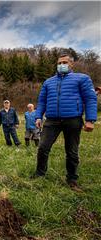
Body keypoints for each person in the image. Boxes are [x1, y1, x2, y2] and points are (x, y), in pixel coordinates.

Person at [31, 53, 97, 192]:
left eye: (65, 62)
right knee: (43, 147)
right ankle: (40, 174)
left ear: (71, 64)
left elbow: (90, 99)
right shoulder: (48, 82)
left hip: (73, 119)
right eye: (59, 63)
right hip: (51, 120)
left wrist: (90, 120)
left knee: (72, 151)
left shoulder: (82, 78)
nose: (61, 65)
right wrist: (38, 116)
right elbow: (42, 101)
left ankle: (72, 179)